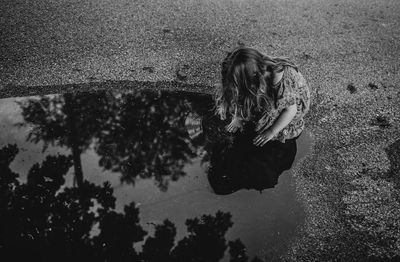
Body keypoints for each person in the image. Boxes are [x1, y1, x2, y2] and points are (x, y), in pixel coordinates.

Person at [215, 46, 311, 146]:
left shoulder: (281, 80)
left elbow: (290, 111)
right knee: (246, 95)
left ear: (253, 77)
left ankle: (274, 124)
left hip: (288, 106)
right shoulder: (257, 69)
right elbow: (239, 95)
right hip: (269, 91)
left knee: (273, 118)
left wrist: (271, 131)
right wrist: (238, 117)